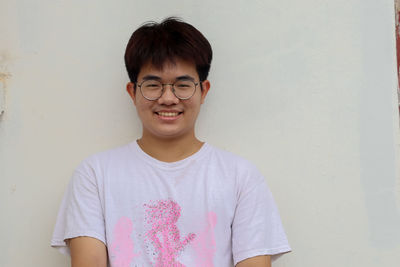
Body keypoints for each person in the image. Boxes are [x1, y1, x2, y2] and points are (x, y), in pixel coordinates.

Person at [51, 17, 291, 267]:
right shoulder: (95, 175)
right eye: (153, 85)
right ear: (132, 92)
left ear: (203, 90)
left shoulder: (241, 177)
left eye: (182, 85)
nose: (168, 98)